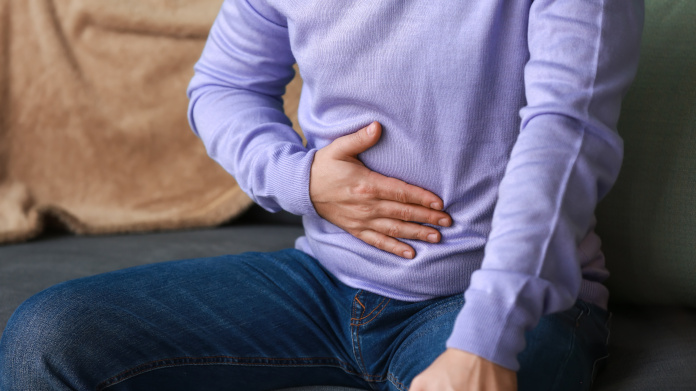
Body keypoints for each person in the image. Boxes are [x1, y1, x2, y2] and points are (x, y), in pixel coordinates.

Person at [0, 0, 644, 390]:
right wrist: (300, 179)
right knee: (47, 338)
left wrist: (486, 339)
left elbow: (566, 137)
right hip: (324, 282)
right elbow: (222, 85)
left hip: (496, 301)